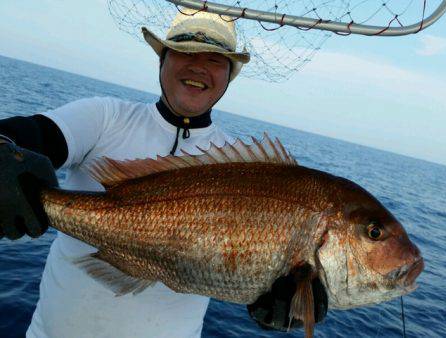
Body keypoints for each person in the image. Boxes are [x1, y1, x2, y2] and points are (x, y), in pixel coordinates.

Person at [0, 9, 326, 338]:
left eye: (216, 58)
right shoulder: (105, 117)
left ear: (229, 75)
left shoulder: (244, 171)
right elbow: (39, 133)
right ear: (162, 59)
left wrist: (290, 306)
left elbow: (244, 268)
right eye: (185, 50)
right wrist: (5, 148)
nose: (198, 65)